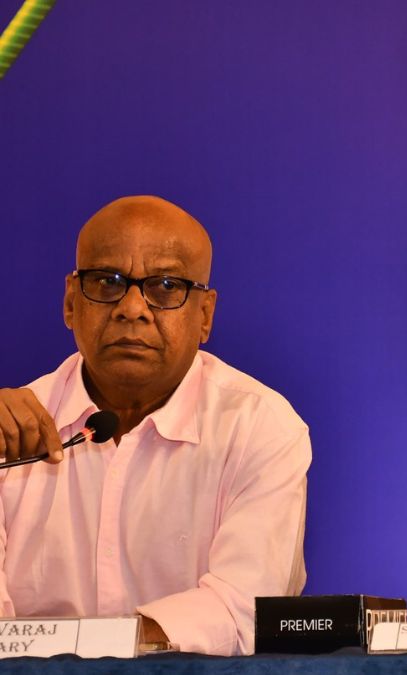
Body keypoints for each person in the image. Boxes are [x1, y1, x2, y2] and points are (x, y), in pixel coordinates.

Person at [0, 196, 310, 655]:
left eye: (166, 286)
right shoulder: (10, 434)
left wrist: (87, 648)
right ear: (70, 302)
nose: (132, 308)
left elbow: (242, 609)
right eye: (107, 281)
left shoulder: (258, 426)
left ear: (204, 316)